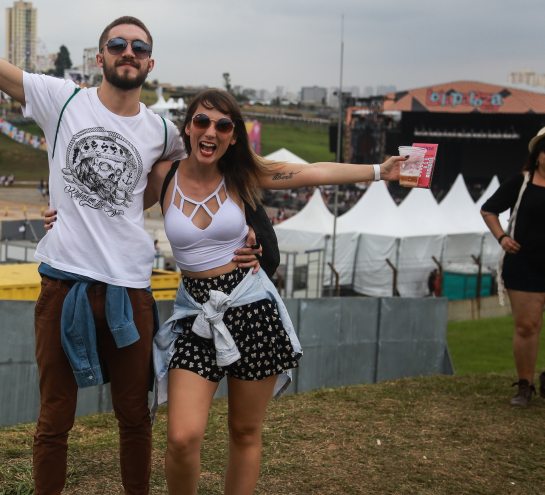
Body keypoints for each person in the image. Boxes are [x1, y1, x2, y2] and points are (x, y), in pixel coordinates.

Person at [0, 0, 260, 495]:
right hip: (64, 283)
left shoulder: (165, 131)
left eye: (139, 47)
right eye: (117, 44)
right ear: (99, 57)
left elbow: (215, 174)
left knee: (135, 417)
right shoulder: (62, 100)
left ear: (150, 63)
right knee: (55, 419)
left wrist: (251, 239)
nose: (128, 51)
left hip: (130, 288)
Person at [137, 89, 406, 495]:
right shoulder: (164, 175)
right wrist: (62, 217)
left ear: (233, 136)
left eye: (223, 125)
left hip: (250, 308)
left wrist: (378, 171)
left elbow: (313, 172)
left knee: (245, 432)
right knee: (182, 437)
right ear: (188, 127)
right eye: (203, 122)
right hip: (196, 316)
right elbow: (116, 207)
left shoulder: (243, 174)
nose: (211, 131)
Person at [480, 123, 545, 409]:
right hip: (526, 266)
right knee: (527, 326)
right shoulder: (522, 181)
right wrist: (502, 237)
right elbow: (488, 209)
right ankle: (525, 386)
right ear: (537, 154)